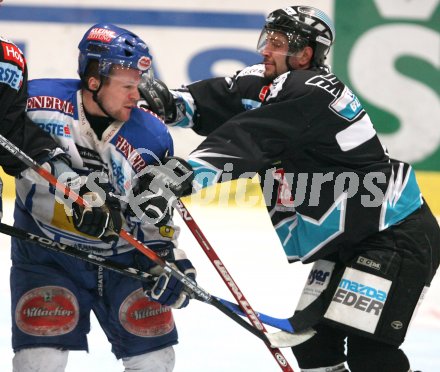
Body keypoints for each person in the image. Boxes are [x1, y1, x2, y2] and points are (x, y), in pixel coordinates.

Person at [138, 5, 440, 372]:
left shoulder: (311, 92)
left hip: (394, 235)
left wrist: (177, 177)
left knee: (370, 354)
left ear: (305, 54)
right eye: (267, 39)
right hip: (353, 237)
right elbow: (217, 98)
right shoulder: (273, 83)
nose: (265, 49)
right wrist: (168, 103)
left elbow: (247, 141)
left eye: (277, 43)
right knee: (313, 347)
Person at [11, 23, 196, 372]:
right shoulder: (35, 104)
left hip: (124, 261)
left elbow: (154, 214)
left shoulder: (151, 135)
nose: (136, 96)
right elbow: (13, 149)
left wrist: (168, 260)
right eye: (127, 86)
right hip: (47, 255)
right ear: (94, 82)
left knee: (155, 362)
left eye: (139, 86)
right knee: (39, 362)